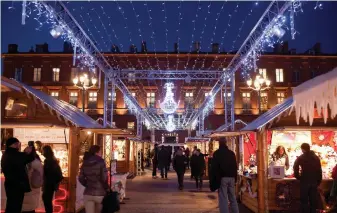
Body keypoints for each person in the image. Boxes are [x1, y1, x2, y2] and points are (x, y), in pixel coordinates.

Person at [1, 137, 34, 213]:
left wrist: (25, 153)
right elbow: (29, 158)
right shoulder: (14, 154)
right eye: (17, 143)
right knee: (16, 206)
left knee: (11, 205)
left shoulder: (6, 154)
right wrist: (28, 151)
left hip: (10, 184)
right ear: (12, 144)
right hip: (17, 185)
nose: (18, 145)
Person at [211, 138, 239, 213]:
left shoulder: (217, 153)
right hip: (232, 177)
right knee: (232, 197)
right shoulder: (231, 153)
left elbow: (214, 168)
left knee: (223, 198)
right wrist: (235, 178)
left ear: (219, 143)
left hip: (222, 178)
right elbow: (235, 166)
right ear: (226, 143)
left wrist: (214, 180)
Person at [79, 145, 109, 213]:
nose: (101, 153)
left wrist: (87, 184)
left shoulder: (85, 161)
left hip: (88, 193)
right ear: (96, 152)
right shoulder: (101, 161)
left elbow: (80, 177)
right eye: (100, 151)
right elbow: (104, 177)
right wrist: (106, 187)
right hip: (100, 193)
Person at [293, 143, 322, 213]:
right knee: (313, 200)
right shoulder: (316, 157)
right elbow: (319, 170)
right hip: (314, 180)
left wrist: (298, 177)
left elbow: (295, 167)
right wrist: (319, 180)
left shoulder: (301, 157)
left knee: (304, 200)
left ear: (302, 149)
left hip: (304, 180)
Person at [22, 143, 44, 213]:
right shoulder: (38, 162)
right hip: (34, 190)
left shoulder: (25, 163)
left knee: (26, 208)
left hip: (26, 191)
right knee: (31, 209)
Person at [42, 145, 64, 213]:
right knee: (47, 200)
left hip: (49, 183)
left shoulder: (48, 161)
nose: (42, 152)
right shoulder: (52, 159)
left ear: (45, 152)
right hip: (52, 183)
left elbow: (47, 172)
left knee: (46, 200)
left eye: (43, 151)